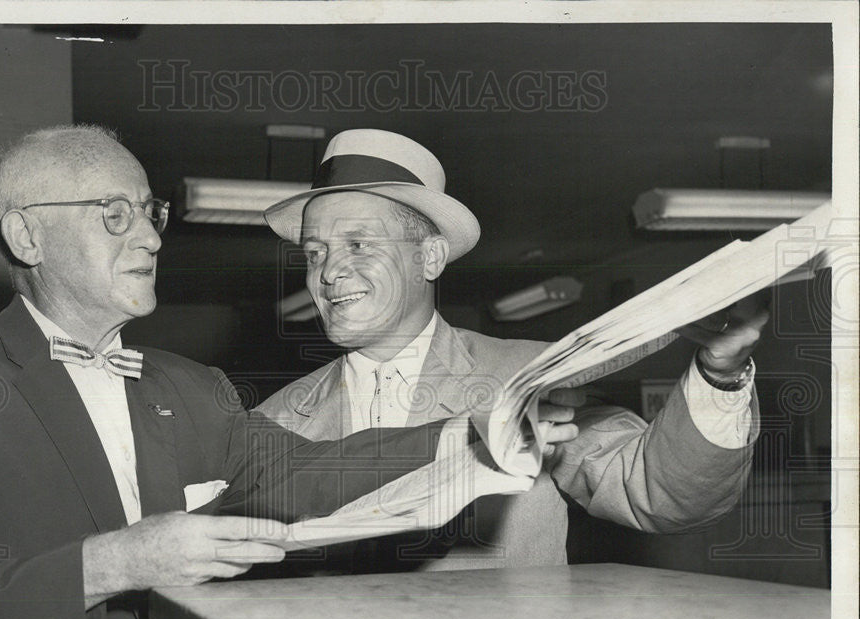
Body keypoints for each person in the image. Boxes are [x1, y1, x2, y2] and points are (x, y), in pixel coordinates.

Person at [0, 125, 460, 619]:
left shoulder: (191, 386)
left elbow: (307, 470)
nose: (154, 238)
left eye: (151, 213)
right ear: (27, 237)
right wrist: (117, 562)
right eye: (115, 214)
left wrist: (475, 432)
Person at [257, 128, 765, 570]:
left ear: (429, 257)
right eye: (315, 252)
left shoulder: (532, 375)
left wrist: (720, 376)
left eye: (360, 244)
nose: (327, 272)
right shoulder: (273, 420)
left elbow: (655, 493)